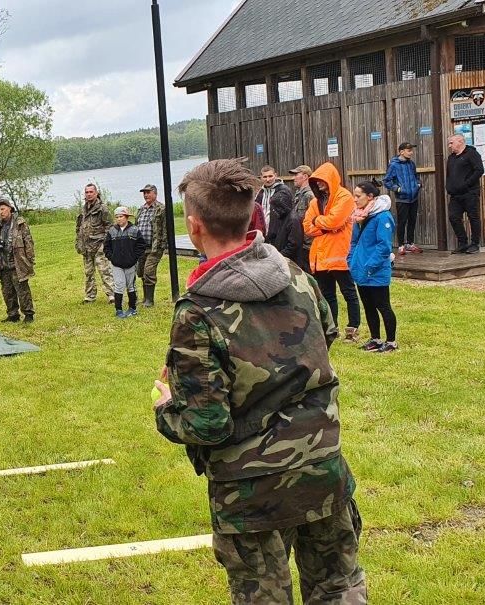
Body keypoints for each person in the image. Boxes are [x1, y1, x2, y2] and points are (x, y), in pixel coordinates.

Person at [152, 159, 366, 604]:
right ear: (252, 216)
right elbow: (324, 335)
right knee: (340, 591)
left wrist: (167, 406)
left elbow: (208, 423)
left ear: (194, 227)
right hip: (322, 467)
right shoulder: (296, 276)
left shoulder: (197, 313)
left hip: (251, 493)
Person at [303, 162, 361, 342]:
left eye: (322, 181)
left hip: (339, 254)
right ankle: (332, 328)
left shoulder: (345, 197)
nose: (319, 184)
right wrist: (325, 225)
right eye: (316, 181)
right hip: (320, 257)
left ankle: (353, 328)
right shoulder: (315, 201)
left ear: (331, 180)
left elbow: (334, 221)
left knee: (348, 292)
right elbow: (307, 227)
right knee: (327, 296)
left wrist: (319, 222)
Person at [348, 181, 398, 353]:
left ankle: (391, 341)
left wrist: (370, 266)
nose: (354, 199)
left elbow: (384, 247)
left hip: (376, 271)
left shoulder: (383, 217)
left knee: (383, 306)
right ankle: (375, 339)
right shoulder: (359, 216)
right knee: (368, 306)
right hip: (361, 270)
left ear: (370, 197)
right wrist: (352, 261)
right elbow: (353, 242)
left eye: (358, 196)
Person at [0, 198, 36, 323]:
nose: (1, 212)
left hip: (18, 262)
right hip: (3, 263)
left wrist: (30, 260)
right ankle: (13, 315)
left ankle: (28, 314)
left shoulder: (19, 223)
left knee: (22, 290)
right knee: (7, 291)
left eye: (3, 209)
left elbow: (28, 242)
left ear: (10, 209)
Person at [76, 183, 116, 303]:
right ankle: (90, 296)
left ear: (96, 193)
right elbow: (79, 226)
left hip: (99, 245)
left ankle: (112, 295)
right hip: (86, 246)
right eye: (87, 192)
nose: (88, 194)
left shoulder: (102, 208)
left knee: (104, 271)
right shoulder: (84, 208)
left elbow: (110, 226)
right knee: (88, 273)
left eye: (91, 192)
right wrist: (78, 241)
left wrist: (105, 242)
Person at [105, 206, 148, 318]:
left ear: (127, 217)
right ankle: (118, 310)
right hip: (116, 264)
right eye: (117, 217)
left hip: (130, 264)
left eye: (121, 216)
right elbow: (106, 247)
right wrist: (112, 257)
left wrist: (134, 258)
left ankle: (132, 308)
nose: (119, 219)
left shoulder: (134, 230)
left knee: (131, 286)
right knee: (119, 285)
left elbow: (141, 246)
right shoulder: (112, 231)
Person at [445, 134, 485, 254]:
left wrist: (466, 184)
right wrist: (449, 187)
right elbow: (449, 175)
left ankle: (475, 244)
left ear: (460, 141)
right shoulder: (451, 158)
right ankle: (463, 243)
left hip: (469, 193)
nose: (449, 146)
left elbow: (479, 170)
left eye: (451, 143)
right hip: (455, 195)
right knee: (453, 217)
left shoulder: (471, 153)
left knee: (473, 217)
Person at [383, 142, 423, 254]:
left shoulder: (411, 164)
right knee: (402, 222)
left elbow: (416, 177)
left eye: (411, 150)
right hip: (402, 199)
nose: (411, 152)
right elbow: (386, 181)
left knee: (412, 221)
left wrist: (418, 184)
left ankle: (410, 243)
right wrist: (398, 189)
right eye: (409, 150)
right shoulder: (394, 165)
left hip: (413, 198)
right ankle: (401, 246)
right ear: (401, 152)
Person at [275, 165, 314, 272]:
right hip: (299, 243)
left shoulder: (310, 195)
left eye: (296, 174)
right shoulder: (298, 194)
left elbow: (314, 220)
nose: (293, 178)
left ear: (305, 176)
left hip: (307, 244)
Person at [135, 184, 166, 307]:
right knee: (141, 272)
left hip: (155, 247)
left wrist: (163, 244)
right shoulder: (141, 209)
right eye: (144, 193)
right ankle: (145, 298)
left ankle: (150, 300)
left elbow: (165, 228)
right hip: (141, 247)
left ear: (155, 193)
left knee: (149, 271)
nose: (146, 195)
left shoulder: (161, 209)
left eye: (148, 192)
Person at [257, 165, 293, 244]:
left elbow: (288, 216)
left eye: (270, 176)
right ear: (261, 177)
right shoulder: (259, 193)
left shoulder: (283, 191)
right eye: (265, 177)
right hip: (263, 235)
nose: (268, 179)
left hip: (279, 235)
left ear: (275, 176)